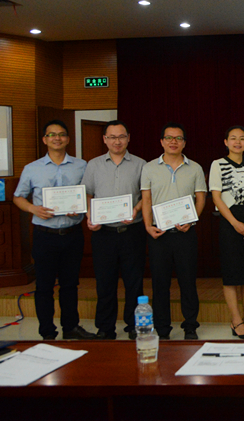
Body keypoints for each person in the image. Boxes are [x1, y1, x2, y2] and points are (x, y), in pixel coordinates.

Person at [13, 120, 96, 340]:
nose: (57, 138)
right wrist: (33, 209)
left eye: (61, 134)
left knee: (70, 285)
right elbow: (18, 197)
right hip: (44, 235)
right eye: (52, 135)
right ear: (45, 139)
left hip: (72, 234)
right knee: (44, 286)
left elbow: (89, 194)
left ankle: (71, 328)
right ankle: (47, 333)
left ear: (68, 139)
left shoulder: (82, 166)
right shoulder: (32, 168)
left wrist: (81, 208)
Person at [141, 122, 207, 340]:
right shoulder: (149, 168)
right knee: (160, 284)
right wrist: (148, 226)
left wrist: (192, 220)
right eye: (169, 138)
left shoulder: (195, 168)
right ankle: (162, 328)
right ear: (161, 141)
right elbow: (146, 199)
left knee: (188, 282)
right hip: (159, 235)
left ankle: (190, 326)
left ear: (184, 143)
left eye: (178, 138)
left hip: (185, 234)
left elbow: (201, 198)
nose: (173, 142)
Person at [82, 120, 147, 340]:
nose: (117, 141)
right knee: (105, 283)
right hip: (104, 234)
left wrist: (136, 210)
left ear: (128, 138)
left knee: (134, 282)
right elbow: (87, 194)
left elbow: (146, 195)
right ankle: (105, 328)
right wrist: (90, 215)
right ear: (104, 139)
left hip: (132, 232)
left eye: (121, 136)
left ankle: (134, 326)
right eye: (112, 137)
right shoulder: (93, 165)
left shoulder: (141, 164)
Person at [209, 126, 244, 340]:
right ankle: (236, 319)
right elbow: (216, 197)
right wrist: (234, 222)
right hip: (230, 223)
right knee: (232, 274)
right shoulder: (217, 164)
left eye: (242, 139)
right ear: (226, 142)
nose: (237, 142)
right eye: (233, 138)